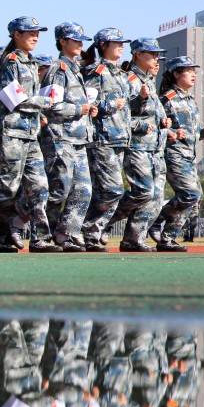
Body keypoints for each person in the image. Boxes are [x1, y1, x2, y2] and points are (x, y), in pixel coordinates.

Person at [0, 17, 59, 253]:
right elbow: (14, 100)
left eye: (37, 32)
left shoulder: (31, 63)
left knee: (40, 187)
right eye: (29, 32)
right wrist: (45, 103)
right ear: (16, 35)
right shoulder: (9, 62)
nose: (35, 36)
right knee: (7, 187)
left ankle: (41, 238)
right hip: (11, 133)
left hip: (30, 134)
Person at [40, 23, 95, 252]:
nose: (81, 44)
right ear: (63, 41)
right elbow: (50, 106)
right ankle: (28, 225)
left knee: (84, 190)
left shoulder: (75, 70)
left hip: (78, 140)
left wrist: (87, 110)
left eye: (82, 40)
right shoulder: (58, 69)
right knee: (58, 190)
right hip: (60, 138)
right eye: (76, 40)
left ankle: (67, 234)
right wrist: (78, 110)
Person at [111, 38, 168, 252]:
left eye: (157, 55)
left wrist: (164, 123)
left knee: (154, 196)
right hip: (137, 146)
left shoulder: (149, 81)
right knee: (143, 191)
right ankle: (98, 221)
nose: (156, 58)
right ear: (137, 55)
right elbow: (120, 116)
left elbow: (151, 115)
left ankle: (133, 239)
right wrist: (143, 124)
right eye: (151, 54)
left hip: (154, 148)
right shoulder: (130, 80)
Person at [153, 56, 204, 251]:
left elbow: (191, 134)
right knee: (190, 194)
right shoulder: (166, 99)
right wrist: (170, 133)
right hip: (173, 154)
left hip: (189, 156)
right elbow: (156, 126)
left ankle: (166, 237)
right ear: (176, 74)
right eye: (188, 70)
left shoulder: (189, 100)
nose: (194, 74)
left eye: (194, 70)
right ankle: (157, 223)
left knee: (195, 198)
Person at [82, 28, 132, 252]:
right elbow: (89, 105)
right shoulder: (96, 72)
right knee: (112, 190)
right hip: (102, 139)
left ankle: (90, 232)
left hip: (119, 139)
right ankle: (90, 231)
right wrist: (111, 105)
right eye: (116, 43)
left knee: (108, 191)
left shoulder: (121, 74)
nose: (121, 46)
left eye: (123, 43)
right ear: (103, 45)